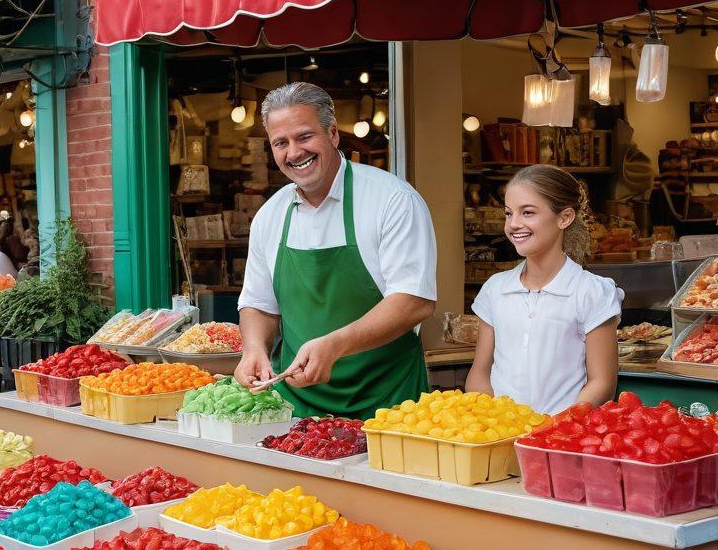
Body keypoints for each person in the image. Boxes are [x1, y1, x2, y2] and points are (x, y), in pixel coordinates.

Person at [235, 82, 437, 420]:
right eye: (280, 143)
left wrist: (335, 345)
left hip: (390, 405)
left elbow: (413, 301)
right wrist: (254, 348)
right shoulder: (270, 214)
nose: (294, 153)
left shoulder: (392, 200)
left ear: (332, 134)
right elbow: (258, 303)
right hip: (297, 407)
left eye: (304, 137)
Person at [465, 166, 622, 416]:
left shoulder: (592, 291)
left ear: (565, 218)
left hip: (562, 441)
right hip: (500, 439)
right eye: (508, 213)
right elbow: (480, 372)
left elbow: (602, 383)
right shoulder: (495, 289)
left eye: (527, 213)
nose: (514, 224)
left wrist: (556, 428)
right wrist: (489, 421)